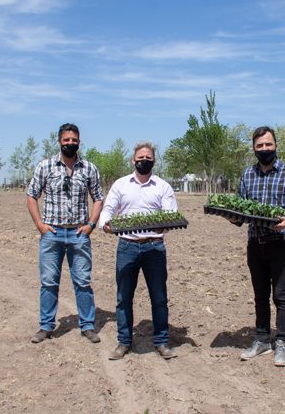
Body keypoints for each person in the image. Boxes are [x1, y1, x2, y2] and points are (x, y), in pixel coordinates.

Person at [233, 126, 285, 367]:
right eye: (259, 146)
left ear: (276, 145)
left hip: (281, 243)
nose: (264, 149)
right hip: (256, 243)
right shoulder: (247, 175)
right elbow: (241, 209)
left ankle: (282, 341)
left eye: (268, 144)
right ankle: (262, 339)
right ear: (254, 148)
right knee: (260, 295)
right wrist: (233, 217)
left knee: (281, 296)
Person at [99, 142, 179, 360]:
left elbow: (171, 213)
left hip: (154, 247)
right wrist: (105, 223)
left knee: (159, 297)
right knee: (124, 297)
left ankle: (161, 341)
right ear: (133, 160)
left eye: (148, 157)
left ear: (154, 160)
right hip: (127, 247)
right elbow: (108, 209)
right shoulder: (121, 184)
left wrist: (166, 223)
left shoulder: (163, 186)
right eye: (140, 157)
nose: (144, 160)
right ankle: (124, 342)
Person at [26, 123, 104, 344]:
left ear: (79, 141)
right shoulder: (45, 166)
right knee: (49, 282)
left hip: (79, 234)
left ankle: (87, 326)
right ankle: (46, 327)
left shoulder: (89, 168)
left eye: (74, 140)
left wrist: (91, 224)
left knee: (83, 282)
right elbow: (32, 195)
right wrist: (40, 225)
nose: (70, 143)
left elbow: (98, 197)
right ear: (59, 141)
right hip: (52, 234)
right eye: (66, 140)